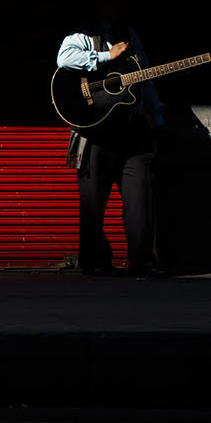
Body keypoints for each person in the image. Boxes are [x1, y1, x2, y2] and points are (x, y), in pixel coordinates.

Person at [57, 16, 166, 278]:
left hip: (133, 131)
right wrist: (106, 56)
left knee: (140, 197)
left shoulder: (130, 35)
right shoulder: (84, 33)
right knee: (92, 202)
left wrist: (158, 122)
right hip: (97, 133)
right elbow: (64, 59)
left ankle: (142, 262)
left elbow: (146, 80)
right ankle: (95, 261)